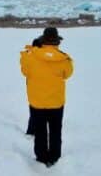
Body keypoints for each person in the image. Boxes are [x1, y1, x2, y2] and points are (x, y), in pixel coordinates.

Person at [20, 27, 74, 167]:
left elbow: (24, 71)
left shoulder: (31, 55)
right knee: (56, 130)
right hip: (56, 102)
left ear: (42, 39)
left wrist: (32, 49)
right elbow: (68, 74)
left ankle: (41, 157)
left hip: (37, 102)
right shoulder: (63, 58)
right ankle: (54, 156)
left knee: (40, 131)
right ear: (57, 41)